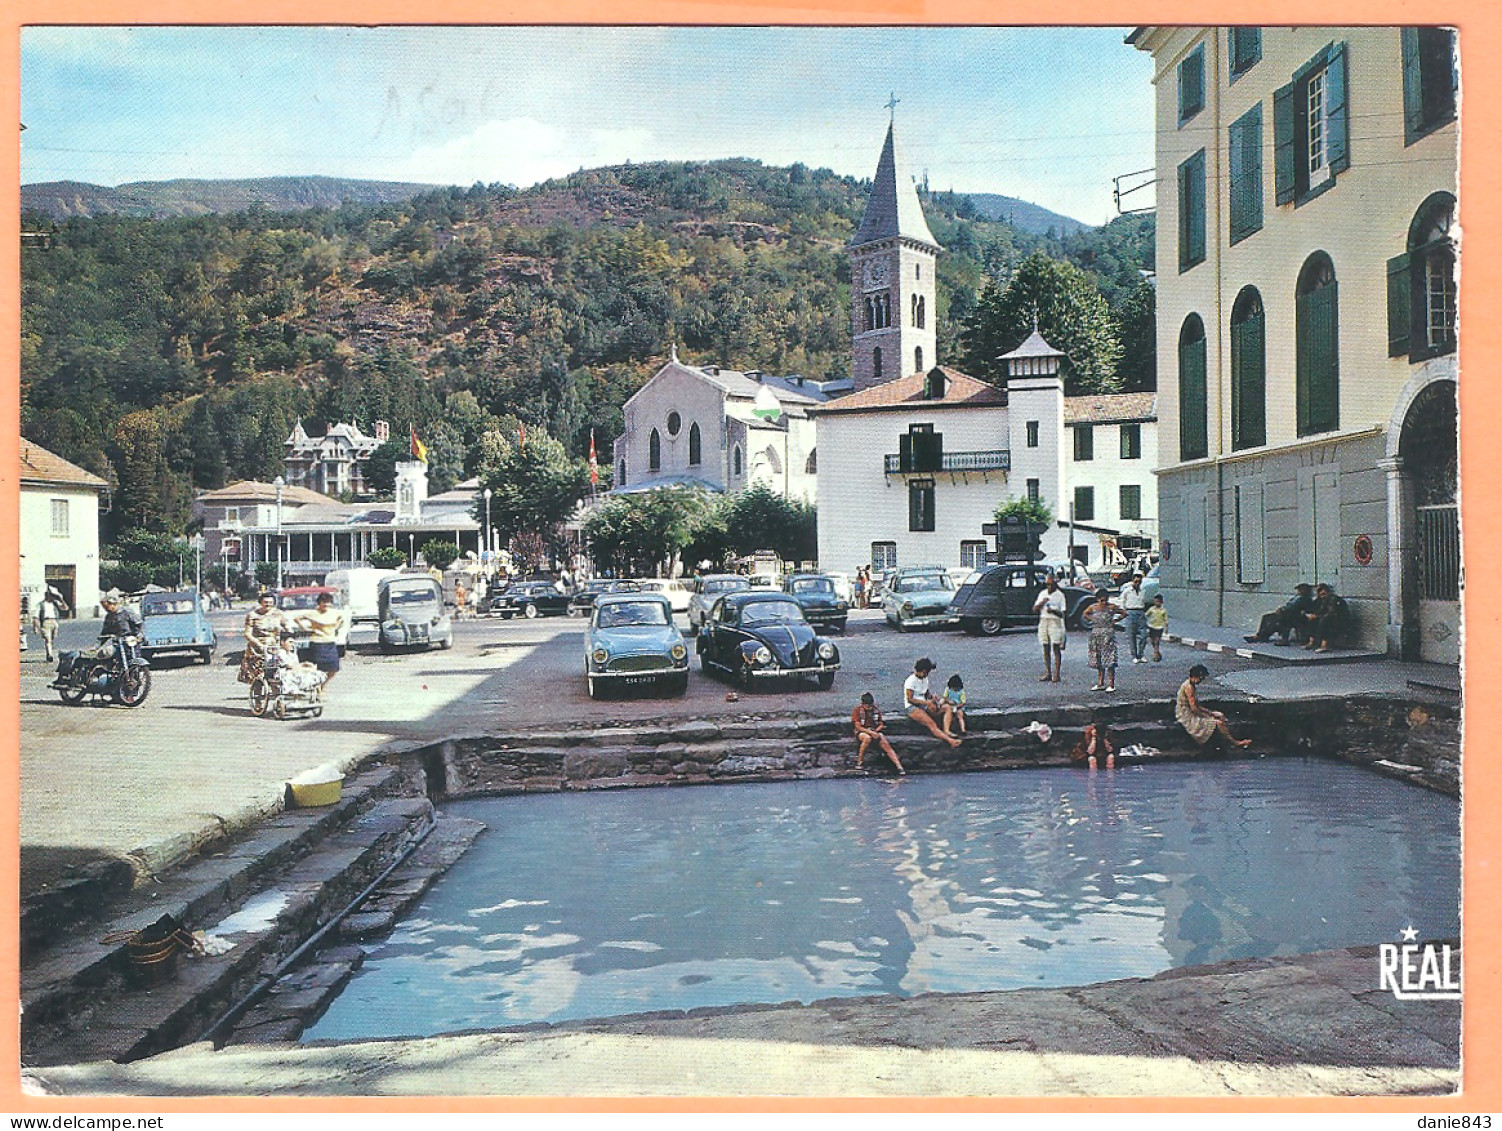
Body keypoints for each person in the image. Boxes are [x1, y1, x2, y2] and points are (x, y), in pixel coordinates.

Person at [1176, 664, 1251, 749]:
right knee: (1217, 723)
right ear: (1195, 676)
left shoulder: (1190, 685)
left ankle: (1228, 741)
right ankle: (1234, 742)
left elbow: (1196, 706)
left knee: (1220, 715)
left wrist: (1210, 712)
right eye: (1201, 678)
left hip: (1190, 711)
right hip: (1186, 715)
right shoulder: (1189, 687)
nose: (1201, 680)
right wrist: (1208, 716)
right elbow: (1194, 709)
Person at [904, 657, 961, 748]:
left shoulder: (925, 679)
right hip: (912, 707)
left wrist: (932, 697)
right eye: (925, 672)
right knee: (932, 724)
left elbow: (926, 692)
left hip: (924, 704)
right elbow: (909, 699)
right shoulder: (911, 681)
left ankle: (947, 730)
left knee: (947, 708)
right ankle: (951, 741)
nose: (926, 675)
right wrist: (926, 703)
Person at [295, 591, 346, 688]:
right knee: (317, 668)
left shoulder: (335, 613)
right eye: (324, 602)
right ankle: (315, 687)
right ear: (319, 602)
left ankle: (322, 686)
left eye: (328, 602)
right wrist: (304, 628)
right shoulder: (313, 613)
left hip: (330, 643)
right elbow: (297, 618)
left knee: (334, 668)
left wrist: (336, 627)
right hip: (318, 643)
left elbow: (341, 619)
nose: (326, 604)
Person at [239, 592, 288, 684]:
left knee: (276, 675)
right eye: (265, 602)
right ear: (260, 602)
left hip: (274, 648)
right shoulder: (252, 615)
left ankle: (275, 695)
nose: (268, 604)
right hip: (257, 649)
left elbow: (288, 627)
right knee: (258, 677)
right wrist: (259, 644)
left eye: (270, 602)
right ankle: (258, 695)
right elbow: (247, 633)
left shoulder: (279, 614)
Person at [1244, 583, 1316, 646]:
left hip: (1293, 617)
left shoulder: (1306, 599)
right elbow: (1288, 605)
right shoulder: (1296, 597)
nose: (1299, 591)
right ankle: (1260, 635)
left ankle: (1268, 637)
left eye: (1301, 589)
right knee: (1267, 617)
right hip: (1286, 613)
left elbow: (1300, 609)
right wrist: (1281, 609)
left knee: (1278, 621)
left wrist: (1283, 610)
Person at [852, 691, 904, 774]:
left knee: (885, 744)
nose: (869, 707)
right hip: (862, 731)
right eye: (867, 705)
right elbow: (858, 726)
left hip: (874, 731)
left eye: (870, 705)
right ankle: (859, 762)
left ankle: (899, 767)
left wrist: (875, 731)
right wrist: (870, 732)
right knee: (867, 738)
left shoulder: (876, 710)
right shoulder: (857, 710)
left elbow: (880, 724)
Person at [1084, 590, 1125, 692]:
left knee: (1110, 658)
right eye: (1102, 600)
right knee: (1098, 658)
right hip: (1096, 633)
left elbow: (1124, 613)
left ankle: (1111, 683)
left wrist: (1115, 621)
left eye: (1105, 600)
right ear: (1098, 599)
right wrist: (1092, 619)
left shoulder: (1111, 607)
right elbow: (1085, 613)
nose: (1104, 603)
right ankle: (1100, 682)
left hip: (1108, 633)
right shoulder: (1093, 607)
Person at [1033, 574, 1068, 682]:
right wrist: (1042, 602)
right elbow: (1034, 609)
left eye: (1051, 584)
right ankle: (1048, 672)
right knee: (1045, 646)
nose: (1049, 587)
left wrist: (1053, 611)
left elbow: (1063, 613)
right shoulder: (1042, 594)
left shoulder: (1060, 595)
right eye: (1047, 584)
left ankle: (1056, 674)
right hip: (1044, 620)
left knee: (1056, 647)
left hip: (1055, 621)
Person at [1303, 583, 1351, 653]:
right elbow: (1319, 610)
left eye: (1321, 591)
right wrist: (1312, 615)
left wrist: (1317, 616)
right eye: (1318, 592)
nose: (1320, 593)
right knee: (1313, 620)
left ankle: (1324, 645)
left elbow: (1332, 613)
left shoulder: (1333, 599)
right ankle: (1311, 642)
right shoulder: (1323, 599)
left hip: (1339, 620)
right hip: (1330, 618)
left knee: (1324, 621)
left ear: (1326, 590)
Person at [1119, 572, 1149, 663]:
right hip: (1130, 612)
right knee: (1131, 636)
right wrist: (1124, 612)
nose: (1137, 584)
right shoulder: (1127, 591)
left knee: (1143, 635)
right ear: (1132, 581)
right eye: (1135, 581)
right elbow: (1122, 601)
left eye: (1139, 582)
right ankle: (1134, 656)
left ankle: (1141, 654)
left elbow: (1145, 601)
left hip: (1140, 612)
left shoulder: (1143, 590)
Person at [34, 588, 69, 663]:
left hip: (54, 622)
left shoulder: (55, 603)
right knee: (47, 639)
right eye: (51, 596)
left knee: (52, 639)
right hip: (45, 622)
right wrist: (36, 627)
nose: (52, 597)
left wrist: (61, 599)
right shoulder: (41, 604)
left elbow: (65, 608)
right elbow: (35, 617)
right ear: (47, 595)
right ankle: (49, 655)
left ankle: (49, 651)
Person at [1145, 593, 1168, 662]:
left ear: (1161, 602)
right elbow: (1146, 615)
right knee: (1152, 641)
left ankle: (1155, 656)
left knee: (1156, 642)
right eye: (1155, 601)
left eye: (1158, 601)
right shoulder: (1151, 609)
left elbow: (1166, 620)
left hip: (1159, 628)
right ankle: (1158, 653)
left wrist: (1166, 628)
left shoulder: (1163, 610)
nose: (1156, 603)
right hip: (1152, 627)